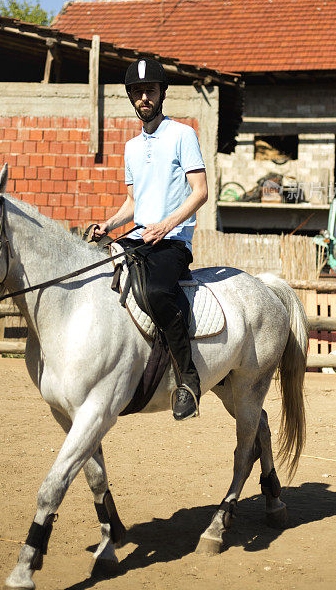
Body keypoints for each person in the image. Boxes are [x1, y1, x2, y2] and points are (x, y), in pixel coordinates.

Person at [94, 57, 208, 421]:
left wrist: (166, 224)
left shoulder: (182, 134)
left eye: (151, 91)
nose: (145, 97)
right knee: (98, 276)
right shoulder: (130, 147)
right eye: (138, 92)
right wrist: (108, 224)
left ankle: (187, 381)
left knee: (157, 292)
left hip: (172, 240)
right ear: (131, 97)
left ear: (162, 94)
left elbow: (200, 192)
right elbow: (133, 202)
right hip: (140, 237)